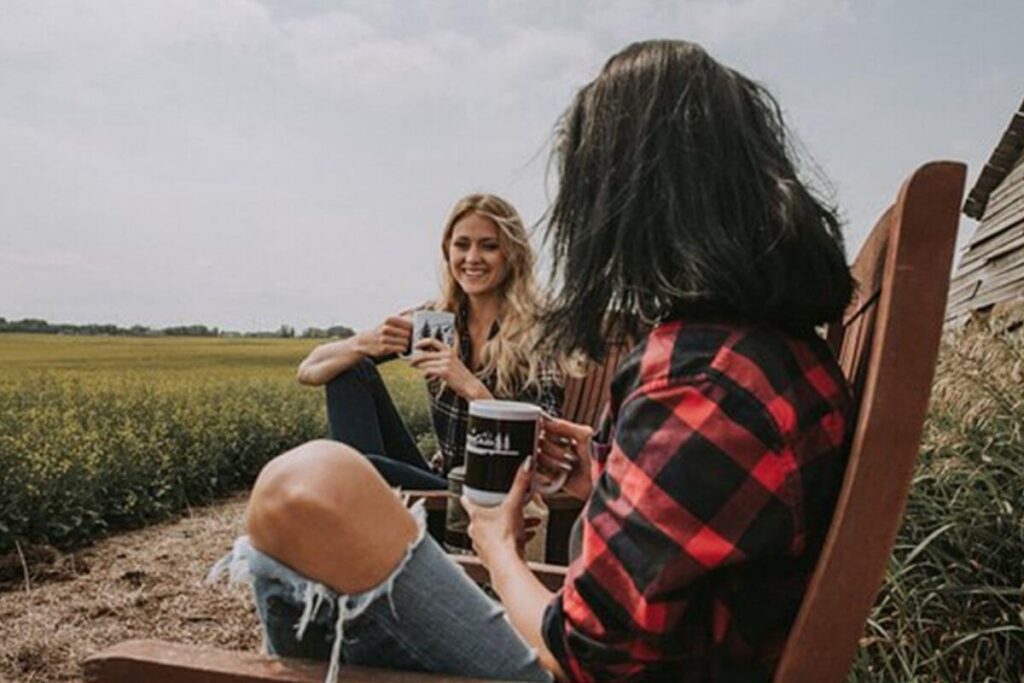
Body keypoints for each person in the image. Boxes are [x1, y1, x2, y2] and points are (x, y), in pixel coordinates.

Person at [211, 40, 855, 682]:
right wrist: (603, 468)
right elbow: (696, 510)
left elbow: (587, 655)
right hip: (651, 642)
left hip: (567, 646)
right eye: (460, 245)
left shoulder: (698, 381)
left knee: (305, 489)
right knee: (323, 478)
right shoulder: (757, 354)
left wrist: (495, 548)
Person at [293, 193, 563, 490]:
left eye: (489, 246)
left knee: (356, 470)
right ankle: (357, 499)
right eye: (462, 245)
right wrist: (364, 344)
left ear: (512, 255)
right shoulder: (435, 321)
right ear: (447, 251)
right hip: (441, 483)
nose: (472, 258)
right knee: (349, 369)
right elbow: (309, 370)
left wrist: (470, 386)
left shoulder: (537, 332)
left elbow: (547, 448)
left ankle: (355, 505)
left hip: (489, 496)